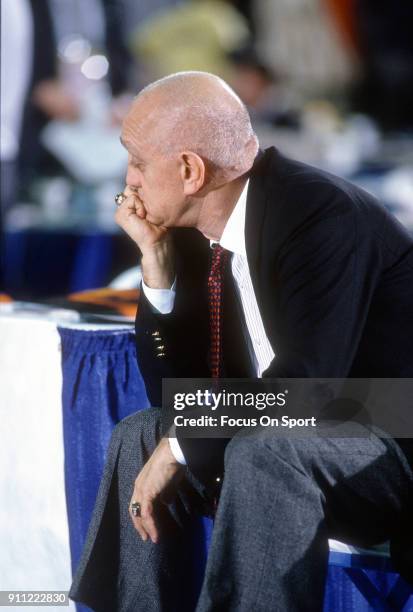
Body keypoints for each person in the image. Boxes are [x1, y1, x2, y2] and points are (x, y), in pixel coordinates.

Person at [70, 71, 413, 611]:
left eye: (136, 161)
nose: (127, 179)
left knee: (262, 449)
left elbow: (308, 390)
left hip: (387, 436)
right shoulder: (189, 227)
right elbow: (175, 399)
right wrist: (156, 270)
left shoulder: (318, 213)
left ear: (190, 170)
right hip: (286, 430)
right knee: (141, 434)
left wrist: (184, 444)